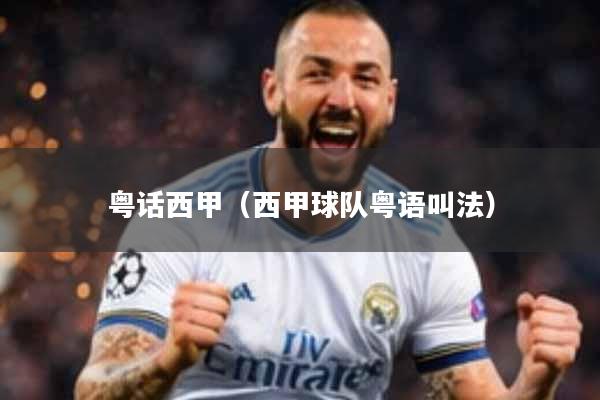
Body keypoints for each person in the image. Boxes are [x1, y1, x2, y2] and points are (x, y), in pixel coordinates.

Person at [75, 1, 582, 399]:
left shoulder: (425, 244)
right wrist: (168, 360)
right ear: (273, 91)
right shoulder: (179, 220)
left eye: (365, 79)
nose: (342, 98)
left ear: (390, 101)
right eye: (318, 74)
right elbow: (95, 389)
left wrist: (536, 382)